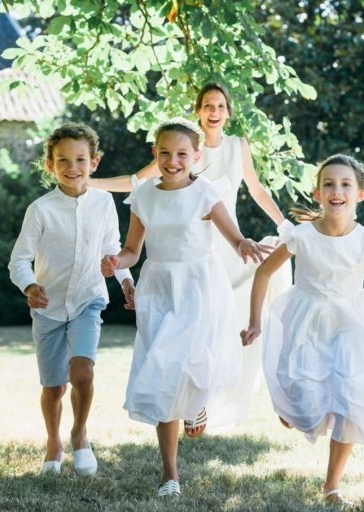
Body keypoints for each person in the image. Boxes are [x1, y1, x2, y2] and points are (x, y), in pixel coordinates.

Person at [92, 82, 290, 435]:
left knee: (215, 333)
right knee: (180, 335)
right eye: (207, 105)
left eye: (220, 105)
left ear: (228, 112)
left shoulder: (234, 147)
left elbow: (256, 189)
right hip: (176, 250)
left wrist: (282, 224)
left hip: (225, 249)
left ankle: (205, 400)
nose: (214, 111)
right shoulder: (176, 150)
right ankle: (187, 404)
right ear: (198, 110)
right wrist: (89, 183)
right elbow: (137, 183)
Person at [240, 154, 364, 504]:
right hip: (305, 320)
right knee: (302, 399)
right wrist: (255, 321)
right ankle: (291, 408)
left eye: (345, 184)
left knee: (352, 398)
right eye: (328, 184)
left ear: (360, 193)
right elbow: (264, 272)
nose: (336, 190)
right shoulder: (301, 237)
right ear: (317, 193)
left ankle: (331, 485)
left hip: (352, 323)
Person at [101, 118, 270, 497]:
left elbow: (234, 236)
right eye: (165, 153)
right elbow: (132, 251)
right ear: (154, 154)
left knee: (189, 358)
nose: (173, 161)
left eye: (181, 154)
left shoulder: (206, 193)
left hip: (198, 285)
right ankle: (170, 475)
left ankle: (195, 404)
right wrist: (116, 261)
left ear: (196, 156)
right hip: (158, 286)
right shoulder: (143, 196)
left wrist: (244, 245)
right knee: (161, 368)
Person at [8, 122, 134, 477]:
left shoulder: (104, 203)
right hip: (48, 309)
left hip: (87, 300)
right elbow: (19, 259)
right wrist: (30, 286)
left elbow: (113, 250)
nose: (72, 167)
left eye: (80, 159)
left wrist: (124, 279)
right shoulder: (41, 209)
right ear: (50, 164)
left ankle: (80, 433)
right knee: (53, 387)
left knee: (82, 371)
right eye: (63, 160)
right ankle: (53, 440)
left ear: (94, 162)